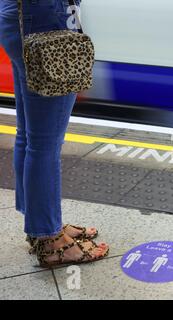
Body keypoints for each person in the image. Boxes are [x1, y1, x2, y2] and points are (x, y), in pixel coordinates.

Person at [0, 0, 109, 267]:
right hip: (48, 19)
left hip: (18, 13)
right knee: (45, 144)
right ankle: (50, 240)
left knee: (29, 135)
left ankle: (40, 226)